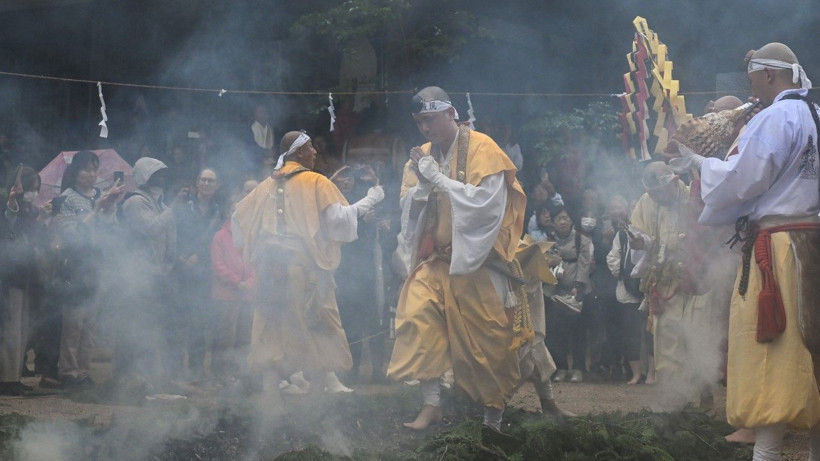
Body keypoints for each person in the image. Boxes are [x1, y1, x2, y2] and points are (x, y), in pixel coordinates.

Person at [675, 42, 820, 460]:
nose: (751, 88)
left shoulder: (776, 117)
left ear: (770, 75)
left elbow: (743, 179)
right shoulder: (816, 115)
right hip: (812, 244)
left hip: (777, 249)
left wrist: (697, 163)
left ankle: (767, 451)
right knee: (813, 354)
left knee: (774, 352)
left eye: (753, 78)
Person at [387, 86, 526, 432]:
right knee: (417, 317)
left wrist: (438, 179)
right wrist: (422, 185)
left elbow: (486, 206)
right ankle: (431, 404)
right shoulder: (420, 156)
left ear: (451, 114)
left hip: (478, 262)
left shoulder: (484, 149)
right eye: (419, 122)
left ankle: (492, 419)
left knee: (487, 344)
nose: (425, 128)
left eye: (430, 119)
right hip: (437, 260)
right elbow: (407, 209)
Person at [232, 131, 384, 395]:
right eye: (311, 147)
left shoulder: (267, 185)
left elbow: (237, 221)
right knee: (317, 326)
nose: (315, 152)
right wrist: (374, 196)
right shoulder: (315, 181)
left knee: (272, 330)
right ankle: (316, 404)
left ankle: (270, 408)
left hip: (269, 273)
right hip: (304, 272)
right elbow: (339, 221)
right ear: (299, 152)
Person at [629, 162, 716, 403]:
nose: (655, 198)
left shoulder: (696, 197)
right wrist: (640, 243)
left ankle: (702, 400)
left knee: (697, 338)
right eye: (651, 194)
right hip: (665, 282)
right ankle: (676, 402)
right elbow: (643, 237)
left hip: (697, 282)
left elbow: (712, 237)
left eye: (659, 192)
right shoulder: (646, 203)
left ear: (675, 181)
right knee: (667, 342)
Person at [52, 151, 124, 388]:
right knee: (74, 323)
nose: (91, 174)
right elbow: (70, 235)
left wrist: (110, 207)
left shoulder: (100, 196)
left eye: (95, 169)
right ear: (75, 172)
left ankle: (84, 370)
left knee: (91, 323)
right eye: (86, 169)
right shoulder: (65, 198)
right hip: (74, 267)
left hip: (97, 267)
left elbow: (111, 231)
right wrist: (96, 210)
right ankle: (69, 372)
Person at [118, 157, 186, 385]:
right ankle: (130, 376)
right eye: (157, 174)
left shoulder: (163, 205)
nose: (163, 178)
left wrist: (167, 266)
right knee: (137, 324)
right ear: (145, 177)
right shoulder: (135, 203)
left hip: (159, 274)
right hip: (138, 274)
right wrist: (173, 209)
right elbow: (150, 228)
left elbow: (171, 240)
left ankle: (157, 373)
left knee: (159, 324)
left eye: (164, 173)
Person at [332, 164, 390, 384]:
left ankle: (378, 371)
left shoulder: (363, 198)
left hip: (371, 270)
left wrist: (382, 224)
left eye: (350, 178)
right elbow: (340, 235)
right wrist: (362, 224)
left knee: (376, 319)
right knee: (350, 323)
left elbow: (382, 203)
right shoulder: (331, 201)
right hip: (345, 271)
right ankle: (352, 371)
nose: (346, 182)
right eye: (342, 178)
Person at [0, 167, 46, 395]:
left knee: (22, 328)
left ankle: (14, 376)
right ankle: (6, 378)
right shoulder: (9, 208)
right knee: (11, 328)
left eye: (37, 189)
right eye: (30, 188)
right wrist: (11, 203)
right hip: (10, 277)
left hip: (27, 277)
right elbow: (8, 220)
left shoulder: (32, 212)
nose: (33, 193)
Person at [173, 168, 222, 381]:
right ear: (197, 182)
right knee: (178, 320)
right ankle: (174, 370)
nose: (206, 183)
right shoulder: (184, 206)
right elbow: (173, 232)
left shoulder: (219, 212)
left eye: (211, 180)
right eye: (203, 179)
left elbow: (216, 241)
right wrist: (180, 256)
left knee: (200, 321)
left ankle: (196, 370)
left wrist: (199, 257)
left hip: (205, 271)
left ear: (217, 185)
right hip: (181, 270)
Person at [605, 195, 654, 385]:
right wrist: (623, 274)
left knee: (651, 332)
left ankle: (651, 374)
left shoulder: (651, 232)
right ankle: (636, 374)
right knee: (631, 333)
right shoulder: (622, 234)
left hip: (650, 288)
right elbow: (613, 257)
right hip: (627, 290)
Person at [543, 205, 593, 383]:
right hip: (554, 293)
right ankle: (561, 368)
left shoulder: (582, 241)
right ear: (553, 222)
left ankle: (579, 368)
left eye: (565, 218)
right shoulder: (547, 241)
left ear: (571, 220)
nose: (562, 221)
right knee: (556, 333)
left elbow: (585, 265)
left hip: (576, 293)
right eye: (559, 219)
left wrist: (578, 287)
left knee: (577, 332)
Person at [210, 193, 255, 381]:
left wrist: (250, 283)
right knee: (224, 336)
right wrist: (237, 282)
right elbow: (218, 265)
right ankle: (221, 373)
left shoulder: (250, 236)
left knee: (244, 336)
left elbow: (256, 262)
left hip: (247, 296)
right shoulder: (220, 236)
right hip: (226, 295)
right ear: (229, 212)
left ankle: (240, 373)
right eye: (234, 209)